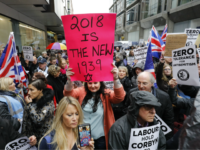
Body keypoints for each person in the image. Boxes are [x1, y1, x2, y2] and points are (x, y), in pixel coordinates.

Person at [63, 64, 126, 150]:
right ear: (86, 83)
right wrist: (69, 80)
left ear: (100, 83)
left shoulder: (106, 93)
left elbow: (120, 97)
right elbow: (68, 95)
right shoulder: (81, 91)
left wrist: (115, 78)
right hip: (84, 134)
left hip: (101, 137)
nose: (93, 86)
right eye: (90, 83)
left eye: (95, 83)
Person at [127, 72, 174, 140]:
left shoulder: (164, 97)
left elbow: (169, 119)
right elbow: (127, 111)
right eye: (139, 83)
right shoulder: (132, 93)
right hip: (136, 134)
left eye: (144, 83)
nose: (141, 86)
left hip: (155, 134)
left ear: (152, 83)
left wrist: (166, 140)